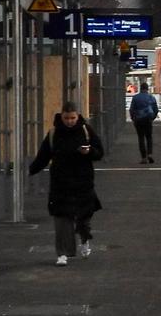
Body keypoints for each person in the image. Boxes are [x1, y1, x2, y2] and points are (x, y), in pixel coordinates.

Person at [28, 102, 104, 265]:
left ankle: (84, 240)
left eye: (72, 118)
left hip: (83, 181)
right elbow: (43, 156)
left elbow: (99, 152)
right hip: (60, 182)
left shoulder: (86, 131)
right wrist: (30, 170)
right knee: (62, 217)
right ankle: (62, 253)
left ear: (78, 116)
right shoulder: (54, 133)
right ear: (61, 117)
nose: (69, 121)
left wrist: (89, 151)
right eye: (66, 118)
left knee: (84, 216)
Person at [128, 83, 159, 163]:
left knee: (141, 138)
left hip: (138, 120)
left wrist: (133, 118)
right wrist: (152, 118)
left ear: (140, 88)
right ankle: (150, 154)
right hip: (148, 120)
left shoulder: (135, 98)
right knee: (149, 137)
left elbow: (131, 110)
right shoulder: (151, 97)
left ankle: (144, 157)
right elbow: (155, 109)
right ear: (147, 88)